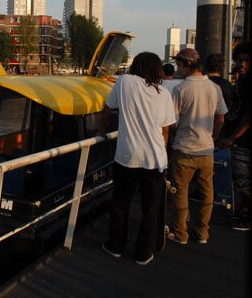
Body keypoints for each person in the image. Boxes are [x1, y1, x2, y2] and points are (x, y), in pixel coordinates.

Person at [97, 51, 176, 266]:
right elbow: (165, 131)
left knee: (120, 204)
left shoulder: (124, 82)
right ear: (157, 70)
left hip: (127, 157)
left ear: (137, 67)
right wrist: (164, 155)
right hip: (155, 159)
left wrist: (101, 132)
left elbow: (107, 109)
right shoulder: (164, 94)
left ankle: (115, 246)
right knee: (150, 208)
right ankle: (143, 252)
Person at [168, 48, 227, 245]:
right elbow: (220, 118)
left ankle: (180, 233)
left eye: (179, 65)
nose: (178, 69)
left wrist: (175, 134)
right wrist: (213, 136)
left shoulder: (180, 89)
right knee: (207, 192)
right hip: (207, 149)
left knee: (180, 191)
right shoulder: (214, 88)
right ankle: (202, 232)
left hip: (184, 149)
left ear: (187, 65)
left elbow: (171, 121)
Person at [217, 41, 251, 231]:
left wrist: (233, 137)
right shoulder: (241, 80)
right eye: (240, 60)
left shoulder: (247, 81)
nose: (242, 64)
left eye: (247, 60)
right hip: (240, 139)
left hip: (243, 141)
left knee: (243, 180)